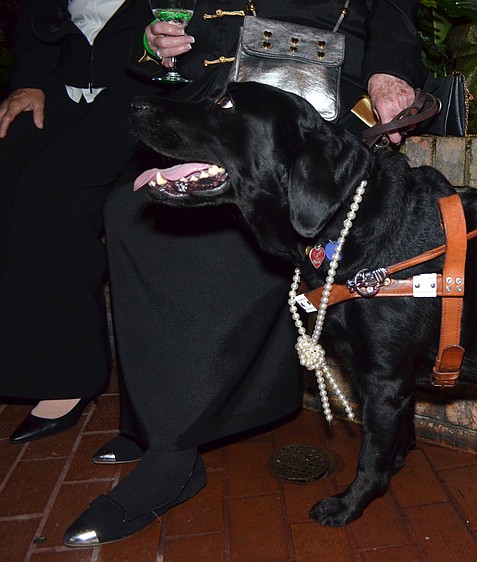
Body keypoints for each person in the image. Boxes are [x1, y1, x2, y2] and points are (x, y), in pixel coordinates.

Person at [63, 0, 426, 546]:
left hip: (311, 107)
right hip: (216, 91)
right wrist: (156, 45)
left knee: (207, 236)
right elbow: (171, 24)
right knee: (127, 212)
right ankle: (155, 418)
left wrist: (391, 68)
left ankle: (173, 455)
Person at [0, 0, 161, 444]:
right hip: (61, 88)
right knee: (6, 166)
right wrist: (28, 82)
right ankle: (15, 359)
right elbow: (34, 19)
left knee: (51, 193)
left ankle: (67, 375)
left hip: (142, 89)